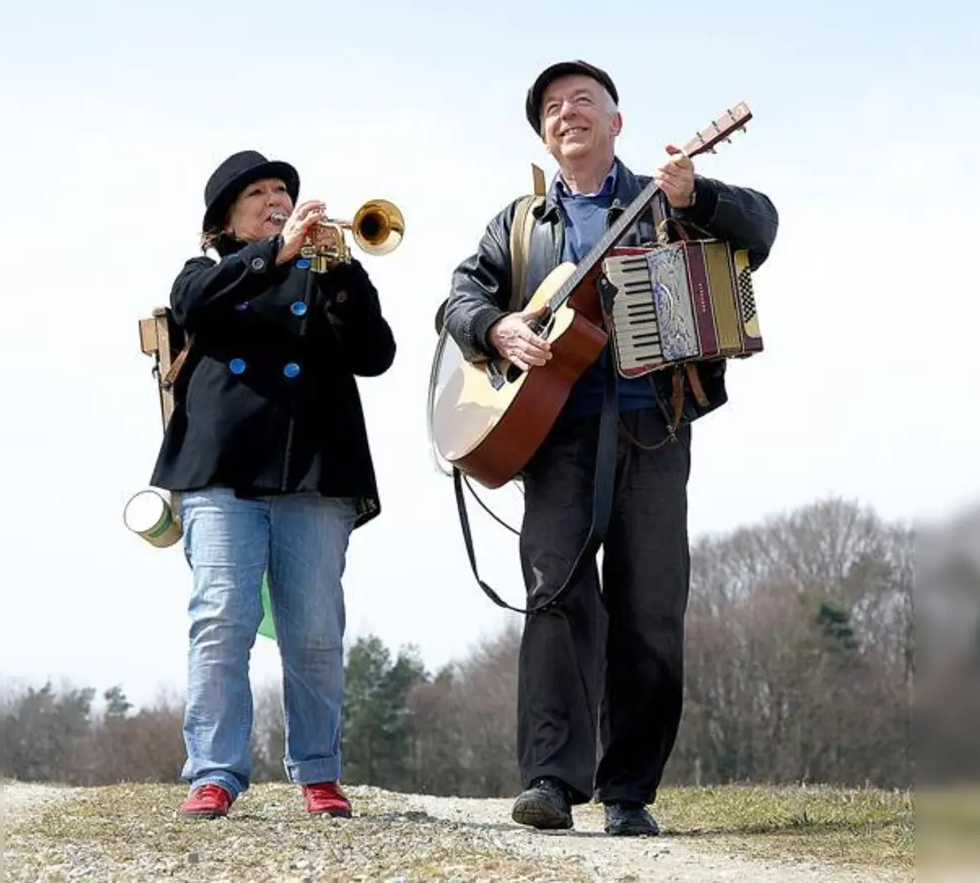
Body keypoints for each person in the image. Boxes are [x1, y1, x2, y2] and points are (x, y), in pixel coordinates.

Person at [443, 61, 779, 836]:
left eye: (584, 102)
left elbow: (761, 230)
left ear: (617, 123)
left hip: (653, 426)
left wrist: (702, 196)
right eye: (553, 108)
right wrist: (496, 327)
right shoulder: (518, 225)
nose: (569, 114)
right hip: (555, 437)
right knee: (554, 598)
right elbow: (460, 296)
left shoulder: (665, 198)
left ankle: (629, 794)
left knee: (651, 608)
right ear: (544, 135)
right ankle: (551, 784)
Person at [149, 150, 396, 820]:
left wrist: (344, 272)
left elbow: (375, 355)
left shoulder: (326, 273)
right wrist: (274, 256)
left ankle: (318, 770)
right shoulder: (207, 271)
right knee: (221, 619)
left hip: (315, 467)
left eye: (283, 191)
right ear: (224, 218)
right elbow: (192, 304)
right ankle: (214, 772)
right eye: (257, 193)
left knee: (315, 627)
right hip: (221, 465)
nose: (276, 200)